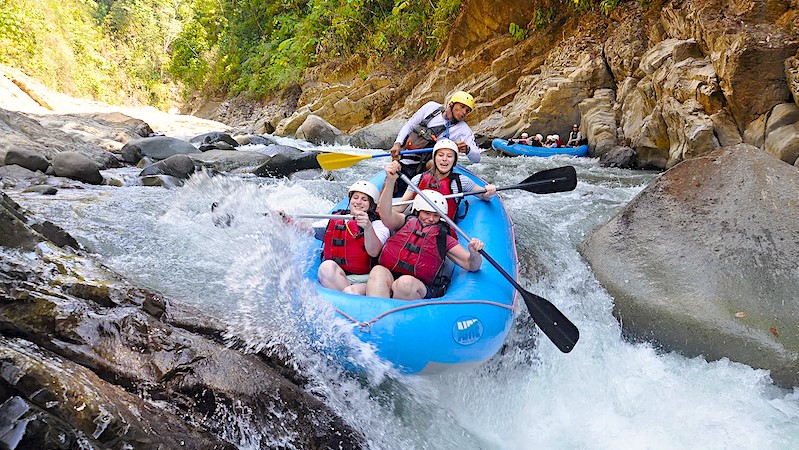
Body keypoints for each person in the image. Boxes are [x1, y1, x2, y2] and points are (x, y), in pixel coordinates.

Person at [366, 163, 485, 300]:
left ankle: (397, 319)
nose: (431, 219)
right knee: (378, 271)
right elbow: (385, 213)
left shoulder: (442, 237)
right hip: (391, 275)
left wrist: (474, 253)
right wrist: (391, 181)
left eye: (436, 215)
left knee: (405, 283)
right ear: (417, 210)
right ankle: (377, 316)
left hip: (418, 287)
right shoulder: (404, 222)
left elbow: (471, 264)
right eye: (427, 213)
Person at [389, 90, 482, 195]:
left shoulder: (463, 130)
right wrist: (397, 143)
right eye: (462, 107)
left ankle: (432, 193)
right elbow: (409, 125)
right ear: (451, 104)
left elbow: (477, 159)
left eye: (467, 110)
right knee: (390, 181)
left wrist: (468, 149)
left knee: (436, 163)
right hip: (406, 158)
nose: (464, 112)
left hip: (427, 166)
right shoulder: (431, 107)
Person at [393, 138, 496, 222]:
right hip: (416, 227)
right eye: (441, 155)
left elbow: (483, 195)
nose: (444, 159)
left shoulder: (461, 181)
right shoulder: (418, 179)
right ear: (434, 158)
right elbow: (401, 207)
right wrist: (382, 210)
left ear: (454, 161)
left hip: (441, 232)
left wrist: (489, 192)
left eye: (449, 156)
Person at [316, 181, 390, 295]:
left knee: (351, 291)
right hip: (340, 275)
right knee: (326, 267)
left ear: (372, 205)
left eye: (364, 200)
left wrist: (368, 228)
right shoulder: (335, 218)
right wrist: (289, 220)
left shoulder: (378, 225)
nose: (358, 202)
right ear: (350, 200)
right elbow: (307, 228)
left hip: (367, 279)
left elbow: (374, 252)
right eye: (355, 198)